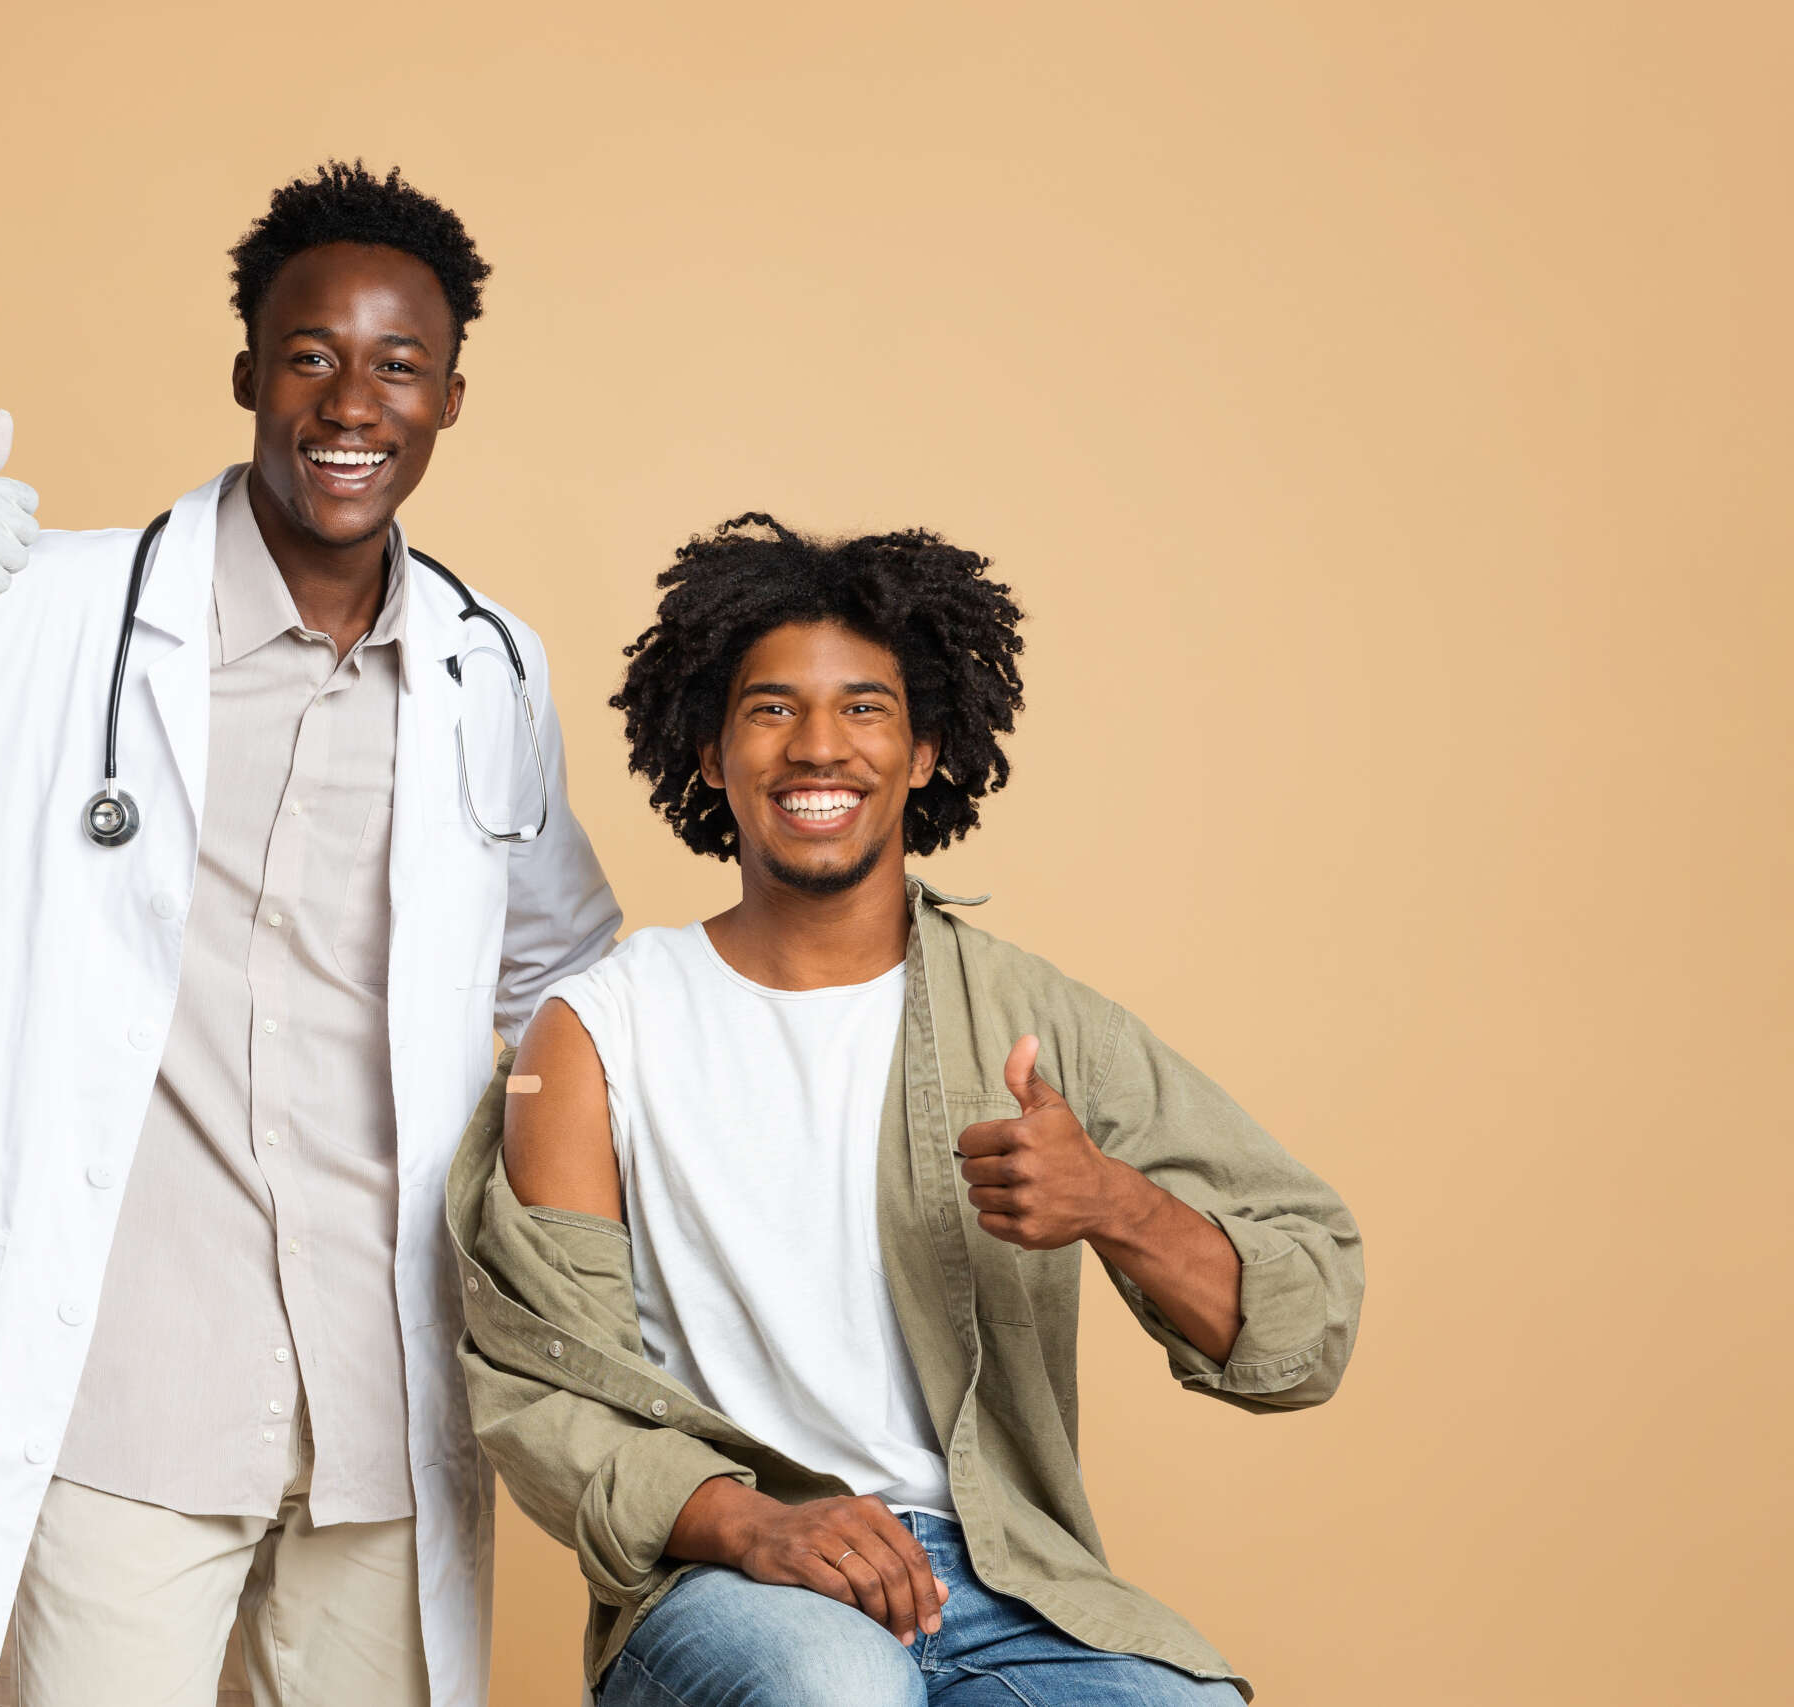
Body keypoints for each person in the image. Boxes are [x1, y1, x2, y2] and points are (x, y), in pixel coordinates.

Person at [0, 162, 620, 1707]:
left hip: (380, 1400)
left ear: (449, 398)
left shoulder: (490, 664)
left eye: (397, 364)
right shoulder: (29, 611)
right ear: (248, 370)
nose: (348, 401)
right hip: (120, 1402)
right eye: (310, 354)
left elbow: (566, 969)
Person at [448, 515, 1363, 1705]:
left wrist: (1113, 1204)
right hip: (733, 1585)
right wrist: (750, 1527)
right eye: (771, 709)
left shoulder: (1029, 1020)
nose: (818, 748)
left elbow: (1302, 1328)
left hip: (1007, 1582)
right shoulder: (594, 1033)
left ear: (928, 749)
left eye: (865, 708)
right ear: (710, 752)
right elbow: (544, 1387)